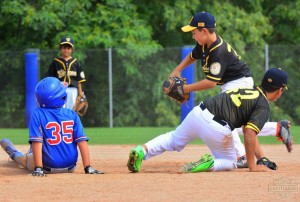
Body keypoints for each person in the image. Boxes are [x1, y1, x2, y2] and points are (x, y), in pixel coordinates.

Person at [169, 11, 284, 168]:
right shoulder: (204, 45)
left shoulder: (219, 51)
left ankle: (242, 155)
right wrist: (177, 70)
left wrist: (185, 88)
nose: (192, 35)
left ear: (204, 31)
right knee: (238, 123)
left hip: (239, 83)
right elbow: (192, 56)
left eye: (194, 32)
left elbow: (210, 82)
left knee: (226, 120)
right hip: (230, 83)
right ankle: (276, 130)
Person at [127, 67, 291, 173]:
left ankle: (142, 150)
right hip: (217, 127)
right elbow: (249, 134)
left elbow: (246, 128)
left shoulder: (247, 90)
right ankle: (210, 162)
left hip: (200, 111)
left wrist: (261, 157)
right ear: (280, 90)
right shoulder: (263, 105)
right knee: (231, 161)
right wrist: (253, 166)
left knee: (173, 139)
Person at [0, 77, 103, 176]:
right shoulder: (72, 114)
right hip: (70, 167)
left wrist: (39, 168)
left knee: (25, 159)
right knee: (38, 142)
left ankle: (13, 152)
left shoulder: (37, 113)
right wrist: (88, 167)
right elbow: (81, 141)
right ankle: (28, 154)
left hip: (46, 167)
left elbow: (37, 142)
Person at [46, 37, 86, 110]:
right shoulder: (55, 62)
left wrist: (80, 93)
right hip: (59, 89)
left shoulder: (75, 62)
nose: (66, 50)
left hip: (73, 90)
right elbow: (50, 78)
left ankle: (70, 121)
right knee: (60, 109)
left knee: (71, 110)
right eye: (64, 48)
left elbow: (79, 80)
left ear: (72, 49)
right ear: (60, 48)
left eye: (68, 48)